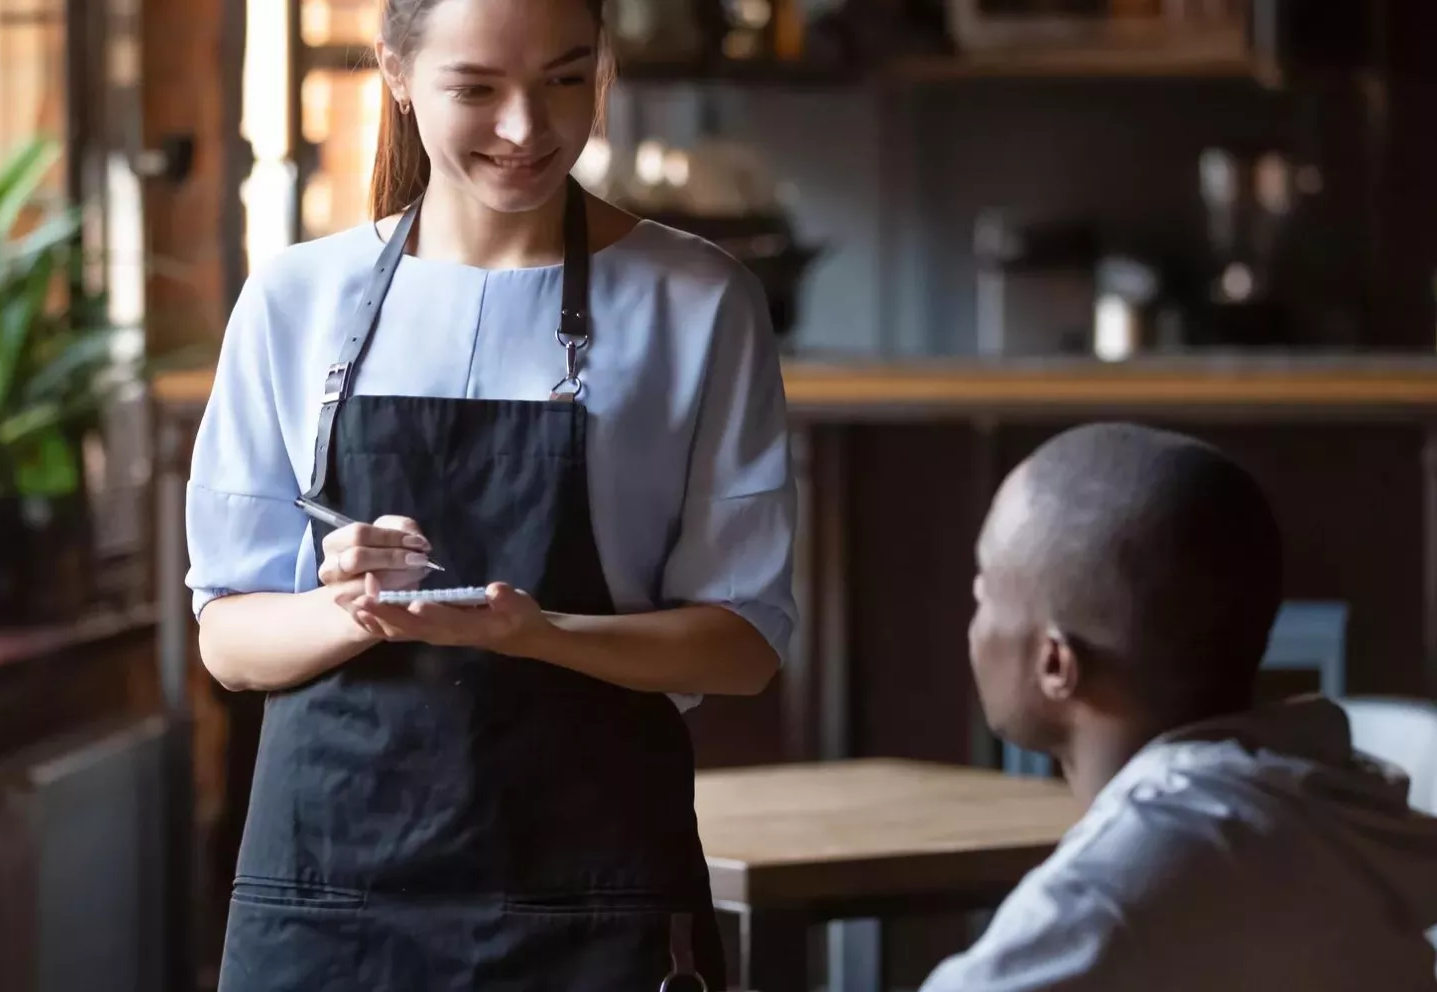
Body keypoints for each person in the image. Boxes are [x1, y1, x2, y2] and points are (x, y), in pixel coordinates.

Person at [184, 0, 796, 985]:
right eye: (476, 88)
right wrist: (352, 609)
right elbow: (228, 638)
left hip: (593, 899)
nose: (528, 127)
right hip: (333, 907)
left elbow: (744, 642)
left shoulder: (697, 300)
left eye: (565, 78)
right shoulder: (294, 301)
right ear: (395, 71)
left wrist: (541, 633)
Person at [923, 421, 1437, 990]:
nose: (973, 623)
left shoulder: (1124, 882)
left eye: (984, 591)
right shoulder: (1323, 805)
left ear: (1055, 665)